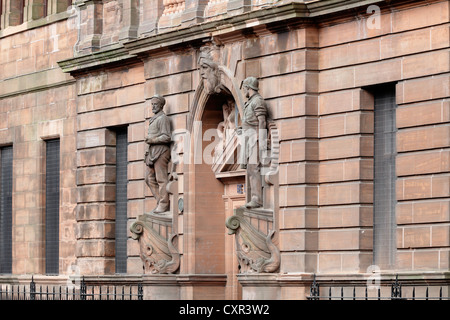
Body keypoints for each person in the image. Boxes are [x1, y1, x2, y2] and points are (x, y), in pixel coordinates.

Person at [239, 77, 267, 209]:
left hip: (254, 139)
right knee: (250, 169)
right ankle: (254, 198)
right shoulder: (250, 102)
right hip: (248, 138)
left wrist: (261, 140)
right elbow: (250, 121)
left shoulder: (258, 101)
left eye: (244, 87)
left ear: (249, 87)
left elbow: (262, 121)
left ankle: (257, 199)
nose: (244, 90)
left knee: (253, 168)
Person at [145, 94, 172, 213]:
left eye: (155, 104)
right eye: (152, 104)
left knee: (161, 179)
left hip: (161, 151)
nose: (153, 106)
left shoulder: (163, 118)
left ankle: (164, 204)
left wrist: (153, 140)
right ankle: (159, 200)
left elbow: (167, 136)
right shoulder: (155, 118)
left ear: (161, 105)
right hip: (152, 151)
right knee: (149, 178)